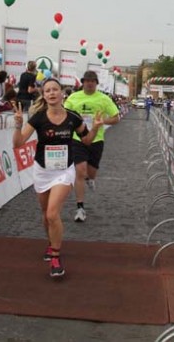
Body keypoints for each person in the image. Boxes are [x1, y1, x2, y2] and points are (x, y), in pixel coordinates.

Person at [12, 78, 103, 278]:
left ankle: (55, 256)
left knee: (53, 214)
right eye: (48, 91)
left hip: (64, 170)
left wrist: (95, 128)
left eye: (55, 90)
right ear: (44, 95)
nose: (52, 93)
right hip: (42, 170)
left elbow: (87, 140)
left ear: (62, 93)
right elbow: (18, 144)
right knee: (46, 214)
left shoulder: (73, 117)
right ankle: (51, 242)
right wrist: (18, 125)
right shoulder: (38, 118)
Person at [64, 70, 120, 223]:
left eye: (92, 81)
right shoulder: (73, 98)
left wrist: (102, 122)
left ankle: (90, 178)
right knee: (80, 172)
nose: (89, 83)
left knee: (91, 173)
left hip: (96, 140)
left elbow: (116, 118)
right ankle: (80, 208)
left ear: (96, 83)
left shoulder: (104, 99)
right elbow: (64, 115)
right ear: (82, 82)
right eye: (87, 81)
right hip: (78, 139)